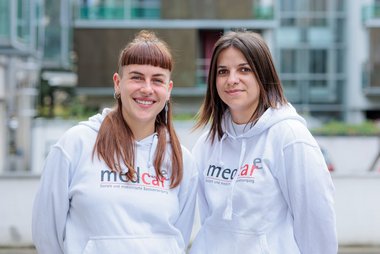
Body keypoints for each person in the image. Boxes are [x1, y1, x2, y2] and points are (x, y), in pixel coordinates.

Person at [32, 30, 198, 254]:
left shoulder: (181, 160)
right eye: (137, 77)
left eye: (157, 80)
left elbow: (178, 238)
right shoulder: (75, 145)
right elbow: (47, 235)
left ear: (168, 90)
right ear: (118, 83)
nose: (147, 89)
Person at [189, 30, 337, 254]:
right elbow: (209, 218)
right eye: (222, 71)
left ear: (263, 74)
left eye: (244, 69)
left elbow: (317, 223)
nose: (232, 80)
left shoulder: (290, 137)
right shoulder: (208, 142)